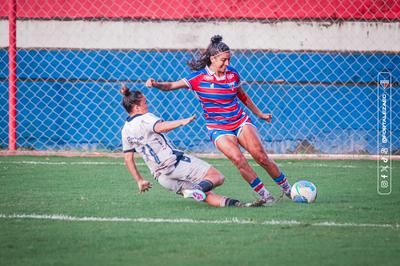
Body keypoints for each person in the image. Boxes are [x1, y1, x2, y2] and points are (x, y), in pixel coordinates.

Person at [145, 35, 291, 204]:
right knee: (239, 160)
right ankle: (266, 196)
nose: (227, 64)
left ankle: (288, 189)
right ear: (213, 59)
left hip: (240, 121)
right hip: (218, 128)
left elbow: (241, 95)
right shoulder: (198, 78)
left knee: (261, 157)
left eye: (229, 60)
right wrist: (156, 84)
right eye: (223, 60)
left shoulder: (232, 74)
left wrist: (259, 114)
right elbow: (170, 86)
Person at [120, 85, 259, 208]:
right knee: (217, 177)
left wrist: (139, 180)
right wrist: (182, 121)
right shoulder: (145, 118)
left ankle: (238, 205)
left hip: (161, 177)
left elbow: (128, 159)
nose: (147, 105)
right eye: (145, 102)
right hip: (174, 163)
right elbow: (161, 127)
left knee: (204, 193)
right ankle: (197, 189)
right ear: (137, 107)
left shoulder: (125, 129)